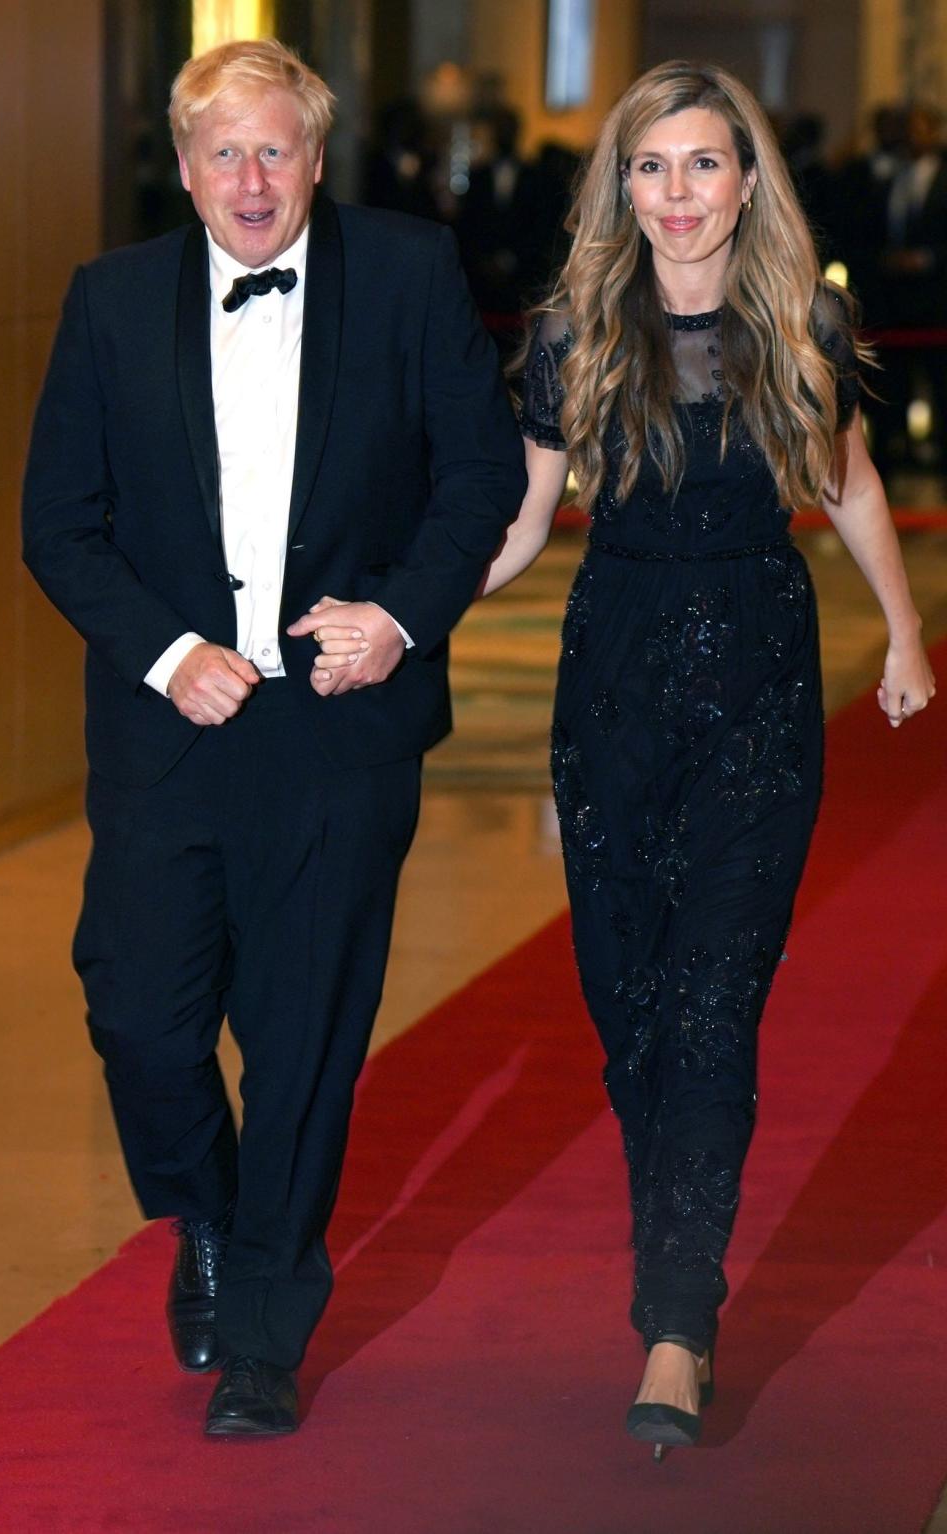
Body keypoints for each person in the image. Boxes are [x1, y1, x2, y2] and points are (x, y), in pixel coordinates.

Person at [317, 59, 935, 1454]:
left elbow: (845, 485)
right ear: (621, 186)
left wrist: (902, 635)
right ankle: (679, 1257)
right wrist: (403, 610)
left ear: (748, 178)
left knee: (715, 1000)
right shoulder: (574, 331)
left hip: (763, 700)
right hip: (612, 696)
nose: (677, 195)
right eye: (650, 166)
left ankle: (676, 1321)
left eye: (704, 163)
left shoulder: (803, 323)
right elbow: (526, 521)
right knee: (630, 1008)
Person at [22, 39, 525, 1437]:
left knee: (304, 1036)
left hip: (338, 728)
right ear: (184, 169)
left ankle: (261, 1331)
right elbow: (56, 520)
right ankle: (208, 1209)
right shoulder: (110, 303)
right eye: (223, 153)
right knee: (139, 1010)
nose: (252, 180)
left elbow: (478, 475)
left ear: (317, 156)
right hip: (167, 730)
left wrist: (402, 619)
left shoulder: (411, 273)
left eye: (276, 150)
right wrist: (172, 656)